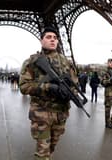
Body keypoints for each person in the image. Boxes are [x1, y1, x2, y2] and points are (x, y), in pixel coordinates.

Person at [19, 26, 78, 160]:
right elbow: (24, 86)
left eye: (55, 38)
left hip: (60, 113)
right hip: (41, 113)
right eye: (48, 37)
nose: (52, 40)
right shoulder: (32, 62)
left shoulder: (66, 62)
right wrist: (48, 87)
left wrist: (69, 93)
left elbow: (75, 83)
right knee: (43, 153)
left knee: (51, 148)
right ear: (41, 40)